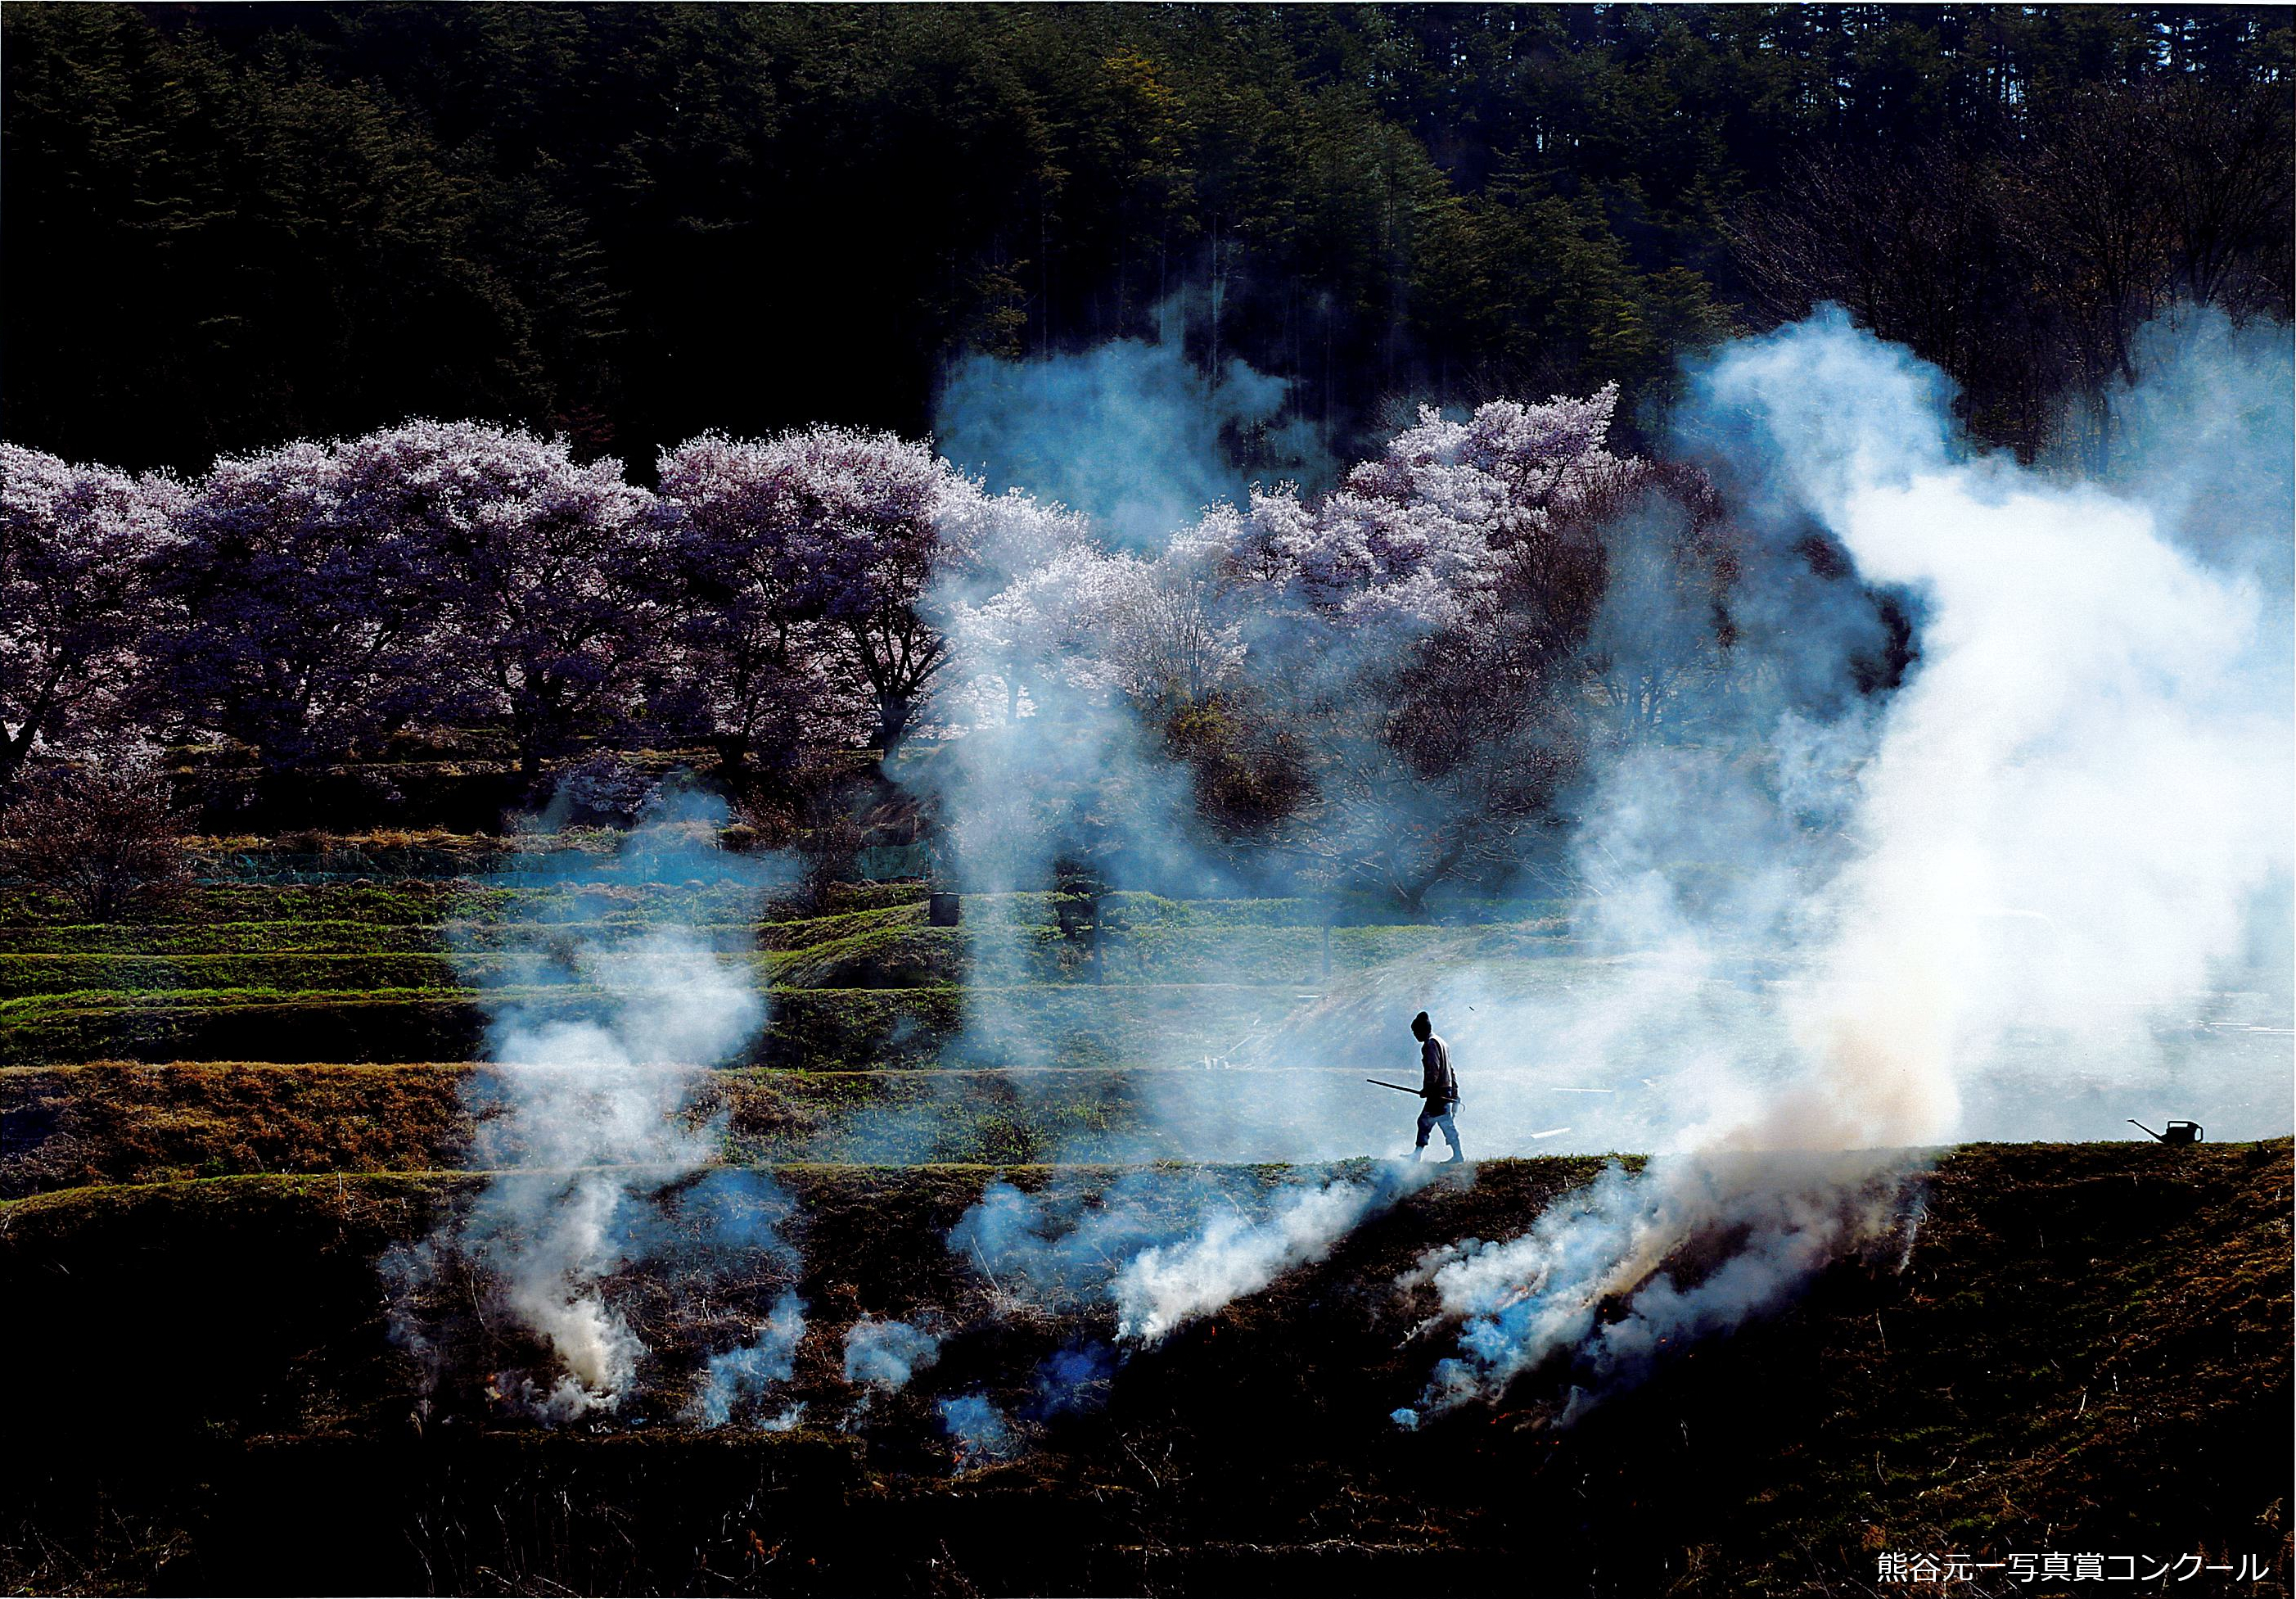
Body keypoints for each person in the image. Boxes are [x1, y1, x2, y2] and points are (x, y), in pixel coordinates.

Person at [1410, 1010, 1463, 1163]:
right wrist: (1454, 1091)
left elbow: (1434, 1068)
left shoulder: (1430, 1044)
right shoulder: (1442, 1042)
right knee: (1438, 1122)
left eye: (1415, 1032)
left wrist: (1428, 1088)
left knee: (1429, 1121)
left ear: (1423, 1030)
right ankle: (1419, 1154)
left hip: (1438, 1092)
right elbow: (1451, 1070)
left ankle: (1418, 1156)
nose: (1415, 1035)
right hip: (1445, 1089)